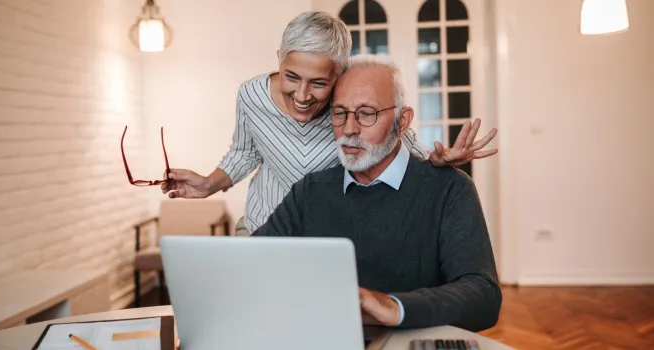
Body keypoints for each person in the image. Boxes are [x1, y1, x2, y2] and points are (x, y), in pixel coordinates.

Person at [162, 11, 498, 236]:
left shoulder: (348, 104)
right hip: (263, 227)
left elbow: (397, 137)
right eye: (291, 76)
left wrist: (435, 161)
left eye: (319, 83)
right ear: (279, 57)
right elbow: (244, 153)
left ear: (340, 73)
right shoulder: (251, 95)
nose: (303, 95)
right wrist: (208, 184)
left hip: (329, 233)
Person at [249, 54, 501, 332]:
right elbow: (252, 264)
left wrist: (394, 307)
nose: (349, 129)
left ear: (402, 121)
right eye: (339, 112)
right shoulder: (310, 191)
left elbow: (483, 296)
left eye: (366, 113)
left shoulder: (449, 189)